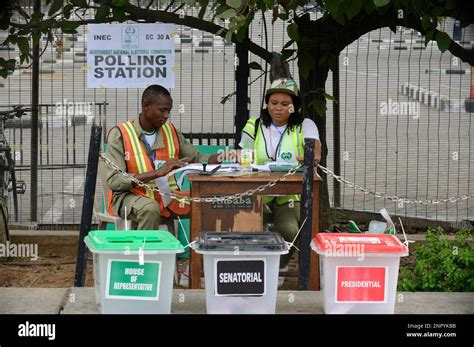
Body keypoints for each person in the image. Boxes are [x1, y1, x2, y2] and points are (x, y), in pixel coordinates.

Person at [104, 84, 222, 230]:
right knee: (150, 208)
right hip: (129, 196)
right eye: (162, 110)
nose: (166, 115)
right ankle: (148, 252)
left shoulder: (171, 131)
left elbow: (197, 158)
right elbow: (115, 181)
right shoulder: (120, 134)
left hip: (165, 196)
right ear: (146, 106)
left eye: (169, 111)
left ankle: (200, 251)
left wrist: (224, 157)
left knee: (205, 202)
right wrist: (157, 173)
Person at [239, 78, 321, 269]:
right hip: (258, 191)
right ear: (267, 104)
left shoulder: (304, 125)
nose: (278, 108)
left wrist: (311, 159)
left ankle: (278, 267)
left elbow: (316, 150)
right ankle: (252, 268)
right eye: (273, 103)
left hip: (290, 194)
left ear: (294, 106)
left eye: (285, 104)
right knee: (244, 224)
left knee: (288, 229)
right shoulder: (254, 124)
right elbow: (243, 155)